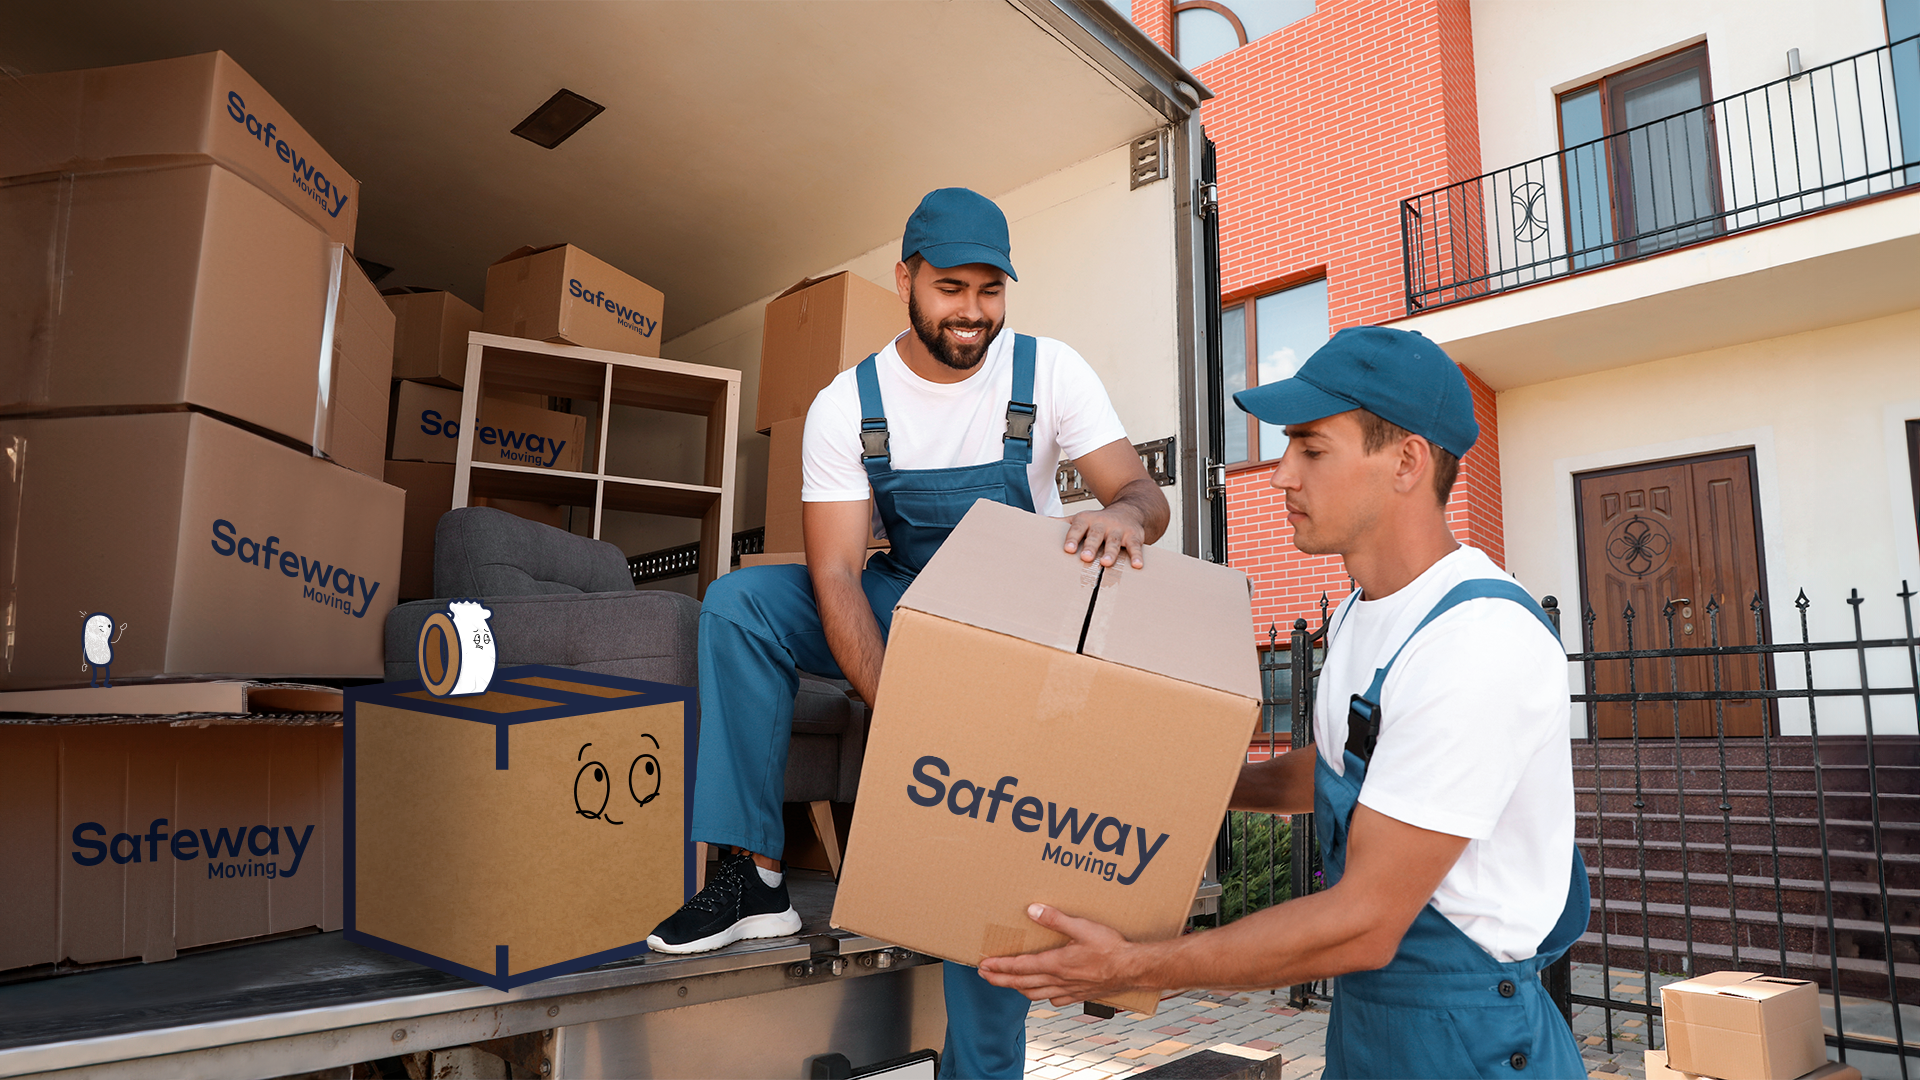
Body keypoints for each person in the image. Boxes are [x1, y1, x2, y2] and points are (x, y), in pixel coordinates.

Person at [646, 187, 1171, 1079]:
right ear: (906, 281)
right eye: (951, 288)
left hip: (1015, 627)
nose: (972, 312)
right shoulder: (847, 405)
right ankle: (753, 877)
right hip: (903, 599)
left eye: (989, 291)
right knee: (741, 605)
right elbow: (837, 575)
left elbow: (1143, 494)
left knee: (989, 885)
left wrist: (1126, 517)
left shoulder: (1049, 373)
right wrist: (906, 714)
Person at [978, 326, 1589, 1079]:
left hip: (1468, 1039)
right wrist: (1207, 790)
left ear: (1405, 462)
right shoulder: (1363, 612)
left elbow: (1363, 924)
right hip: (1371, 1026)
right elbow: (1346, 768)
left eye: (1311, 448)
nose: (1280, 477)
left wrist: (1135, 966)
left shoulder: (1477, 641)